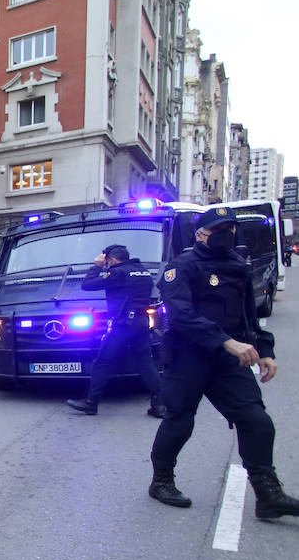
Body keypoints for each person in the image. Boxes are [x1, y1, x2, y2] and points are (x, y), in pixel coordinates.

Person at [148, 208, 299, 519]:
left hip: (229, 359)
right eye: (219, 229)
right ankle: (162, 480)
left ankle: (267, 493)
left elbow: (248, 317)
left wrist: (264, 349)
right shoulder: (182, 267)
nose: (225, 234)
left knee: (257, 420)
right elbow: (181, 315)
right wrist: (225, 341)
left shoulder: (237, 267)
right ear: (200, 234)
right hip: (189, 356)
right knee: (179, 419)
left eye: (230, 228)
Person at [66, 244, 165, 417]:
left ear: (111, 260)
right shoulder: (142, 271)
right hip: (141, 322)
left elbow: (88, 285)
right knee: (145, 363)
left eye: (107, 262)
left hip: (122, 324)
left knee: (102, 361)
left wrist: (96, 267)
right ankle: (160, 405)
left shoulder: (118, 273)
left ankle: (91, 403)